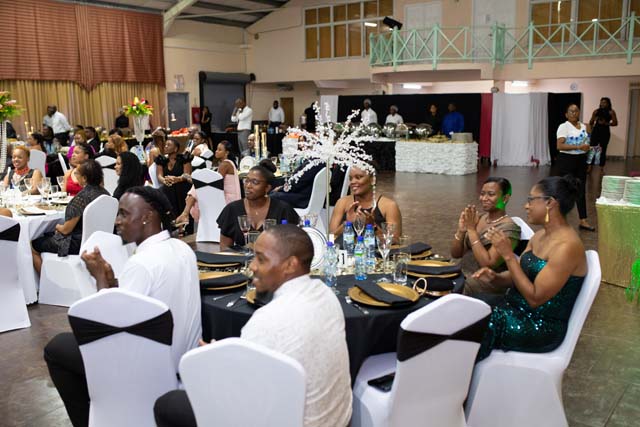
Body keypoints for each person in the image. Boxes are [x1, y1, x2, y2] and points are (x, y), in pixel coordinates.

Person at [153, 224, 352, 427]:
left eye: (261, 259)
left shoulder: (267, 320)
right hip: (337, 419)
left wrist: (213, 364)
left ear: (290, 265)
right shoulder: (325, 294)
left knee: (169, 404)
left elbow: (237, 393)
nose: (252, 267)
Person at [44, 187, 202, 427]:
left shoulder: (141, 263)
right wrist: (112, 281)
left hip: (147, 372)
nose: (117, 221)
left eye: (124, 214)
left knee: (57, 348)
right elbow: (146, 303)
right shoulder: (182, 249)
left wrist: (99, 278)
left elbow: (109, 332)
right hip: (180, 362)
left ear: (147, 216)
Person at [473, 176, 587, 361]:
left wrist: (508, 255)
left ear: (550, 203)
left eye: (531, 200)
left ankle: (458, 374)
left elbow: (535, 298)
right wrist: (496, 278)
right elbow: (519, 275)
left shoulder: (567, 247)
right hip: (513, 306)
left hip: (538, 324)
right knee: (467, 306)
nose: (526, 206)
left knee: (474, 324)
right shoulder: (539, 235)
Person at [32, 160, 109, 272]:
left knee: (33, 244)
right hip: (103, 241)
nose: (75, 176)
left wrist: (57, 226)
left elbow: (66, 230)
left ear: (84, 178)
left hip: (77, 243)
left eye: (77, 174)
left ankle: (45, 279)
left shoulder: (81, 198)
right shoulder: (106, 194)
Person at [450, 177, 521, 296]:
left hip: (482, 281)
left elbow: (488, 263)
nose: (484, 198)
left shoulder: (509, 228)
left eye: (491, 194)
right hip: (460, 271)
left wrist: (471, 230)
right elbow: (455, 254)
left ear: (505, 198)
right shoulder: (479, 218)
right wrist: (461, 231)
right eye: (482, 194)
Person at [217, 165, 299, 249]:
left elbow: (292, 247)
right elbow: (224, 248)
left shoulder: (283, 210)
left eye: (255, 182)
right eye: (246, 180)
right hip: (240, 257)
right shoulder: (232, 209)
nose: (248, 186)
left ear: (267, 188)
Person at [329, 165, 402, 242]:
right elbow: (330, 237)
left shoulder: (389, 206)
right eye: (350, 178)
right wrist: (347, 223)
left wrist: (372, 226)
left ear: (372, 180)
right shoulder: (342, 202)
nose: (352, 182)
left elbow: (395, 240)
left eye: (358, 177)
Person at [176, 141, 241, 225]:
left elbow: (213, 182)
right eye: (216, 149)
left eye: (219, 150)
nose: (216, 151)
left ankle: (185, 213)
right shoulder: (226, 163)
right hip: (223, 195)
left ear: (226, 153)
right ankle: (185, 214)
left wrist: (193, 180)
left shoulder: (225, 164)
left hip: (227, 199)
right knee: (196, 187)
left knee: (196, 187)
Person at [555, 103, 595, 231]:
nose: (574, 113)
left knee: (581, 190)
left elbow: (587, 144)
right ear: (566, 114)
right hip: (566, 160)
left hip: (581, 160)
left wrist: (588, 159)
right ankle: (560, 220)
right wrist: (578, 147)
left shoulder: (584, 126)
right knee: (565, 190)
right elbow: (559, 146)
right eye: (571, 111)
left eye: (576, 111)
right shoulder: (563, 127)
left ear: (579, 113)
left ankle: (583, 220)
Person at [155, 138, 192, 218]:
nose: (166, 146)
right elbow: (159, 175)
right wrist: (165, 180)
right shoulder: (161, 160)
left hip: (182, 187)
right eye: (165, 145)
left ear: (175, 149)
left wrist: (177, 179)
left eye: (169, 145)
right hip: (168, 187)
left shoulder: (184, 159)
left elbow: (187, 174)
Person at [588, 97, 617, 173]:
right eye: (601, 102)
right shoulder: (596, 111)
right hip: (596, 132)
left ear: (608, 103)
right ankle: (590, 167)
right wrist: (593, 119)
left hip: (605, 132)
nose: (603, 104)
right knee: (592, 149)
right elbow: (591, 122)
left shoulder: (611, 112)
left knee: (603, 150)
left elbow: (615, 123)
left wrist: (606, 123)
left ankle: (601, 169)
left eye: (604, 102)